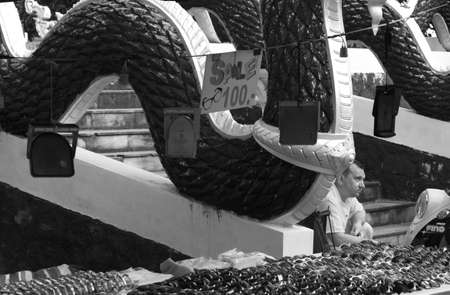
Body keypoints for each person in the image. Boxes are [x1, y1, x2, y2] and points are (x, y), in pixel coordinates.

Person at [317, 161, 373, 246]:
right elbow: (337, 239)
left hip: (338, 246)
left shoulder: (348, 195)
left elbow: (360, 211)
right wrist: (364, 242)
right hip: (325, 251)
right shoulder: (329, 198)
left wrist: (357, 223)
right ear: (340, 179)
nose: (363, 185)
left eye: (363, 179)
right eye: (358, 179)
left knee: (365, 227)